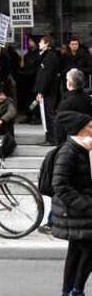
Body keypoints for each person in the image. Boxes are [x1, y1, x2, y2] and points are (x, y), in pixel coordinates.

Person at [48, 111, 92, 296]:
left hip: (80, 212)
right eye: (90, 126)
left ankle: (69, 291)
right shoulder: (68, 151)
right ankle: (76, 290)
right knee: (88, 251)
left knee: (75, 252)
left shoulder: (82, 149)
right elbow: (59, 185)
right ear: (81, 131)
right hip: (75, 212)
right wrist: (85, 204)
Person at [35, 36, 62, 146]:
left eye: (41, 42)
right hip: (47, 91)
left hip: (48, 91)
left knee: (49, 114)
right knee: (46, 114)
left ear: (47, 44)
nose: (39, 44)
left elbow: (46, 76)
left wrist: (41, 91)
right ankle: (49, 138)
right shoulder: (46, 55)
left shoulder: (50, 57)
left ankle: (52, 139)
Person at [56, 69, 92, 144]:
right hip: (88, 139)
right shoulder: (89, 99)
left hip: (72, 142)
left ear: (69, 83)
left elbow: (60, 128)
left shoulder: (66, 103)